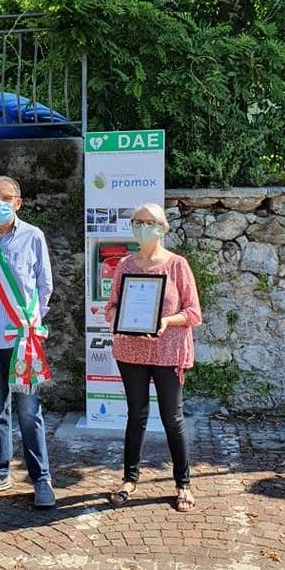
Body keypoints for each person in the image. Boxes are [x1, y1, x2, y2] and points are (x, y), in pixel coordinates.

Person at [104, 202, 202, 512]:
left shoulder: (177, 265)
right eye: (136, 222)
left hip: (168, 352)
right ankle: (129, 479)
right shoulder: (125, 265)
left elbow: (193, 313)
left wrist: (165, 321)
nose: (141, 227)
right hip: (131, 351)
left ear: (162, 228)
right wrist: (119, 319)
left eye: (148, 222)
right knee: (136, 415)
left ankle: (183, 483)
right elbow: (112, 306)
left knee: (172, 417)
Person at [0, 175, 56, 508]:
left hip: (22, 339)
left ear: (18, 202)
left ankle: (41, 478)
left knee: (29, 410)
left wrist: (29, 322)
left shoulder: (34, 236)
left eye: (6, 198)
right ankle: (0, 472)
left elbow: (45, 286)